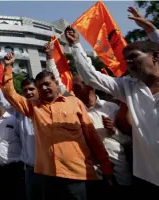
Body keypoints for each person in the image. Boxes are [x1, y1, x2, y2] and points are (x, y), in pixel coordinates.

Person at [66, 6, 159, 195]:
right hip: (150, 178)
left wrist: (152, 31)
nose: (129, 63)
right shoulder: (128, 86)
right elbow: (91, 76)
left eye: (134, 57)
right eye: (126, 60)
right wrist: (76, 46)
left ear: (156, 57)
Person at [0, 52, 113, 199]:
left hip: (77, 174)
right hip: (48, 176)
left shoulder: (74, 103)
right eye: (40, 86)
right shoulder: (33, 108)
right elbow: (9, 93)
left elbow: (91, 136)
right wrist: (8, 66)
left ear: (56, 83)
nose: (45, 88)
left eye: (47, 84)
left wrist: (105, 166)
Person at [45, 41, 133, 194]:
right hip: (92, 173)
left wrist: (114, 131)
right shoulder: (74, 107)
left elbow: (130, 141)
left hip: (120, 171)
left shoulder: (111, 108)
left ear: (90, 86)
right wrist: (49, 57)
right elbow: (57, 84)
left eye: (76, 86)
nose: (72, 90)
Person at [0, 59, 38, 200]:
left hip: (49, 169)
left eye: (32, 89)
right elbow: (3, 100)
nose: (28, 93)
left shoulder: (48, 108)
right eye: (25, 90)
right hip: (28, 169)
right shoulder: (20, 111)